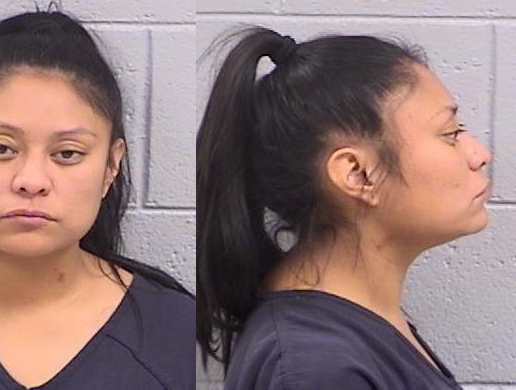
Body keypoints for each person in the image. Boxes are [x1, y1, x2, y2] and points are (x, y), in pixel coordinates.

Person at [0, 6, 195, 389]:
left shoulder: (176, 332)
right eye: (1, 148)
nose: (31, 181)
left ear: (111, 166)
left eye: (67, 153)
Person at [197, 26, 491, 389]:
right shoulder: (316, 369)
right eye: (450, 133)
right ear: (357, 174)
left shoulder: (345, 332)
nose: (479, 154)